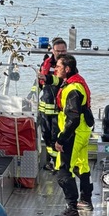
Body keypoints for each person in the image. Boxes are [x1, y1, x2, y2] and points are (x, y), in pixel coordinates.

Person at [51, 53, 95, 216]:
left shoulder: (72, 89)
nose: (55, 69)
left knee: (63, 171)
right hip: (83, 131)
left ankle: (72, 209)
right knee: (81, 165)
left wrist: (61, 139)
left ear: (67, 69)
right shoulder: (76, 82)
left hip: (74, 133)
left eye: (58, 67)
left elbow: (73, 118)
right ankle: (85, 200)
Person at [37, 37, 66, 170]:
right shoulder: (46, 64)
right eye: (58, 51)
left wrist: (47, 78)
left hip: (59, 110)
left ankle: (58, 162)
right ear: (53, 51)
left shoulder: (68, 66)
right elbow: (39, 85)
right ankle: (53, 161)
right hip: (45, 108)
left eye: (63, 51)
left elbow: (61, 82)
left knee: (57, 137)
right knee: (46, 135)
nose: (60, 53)